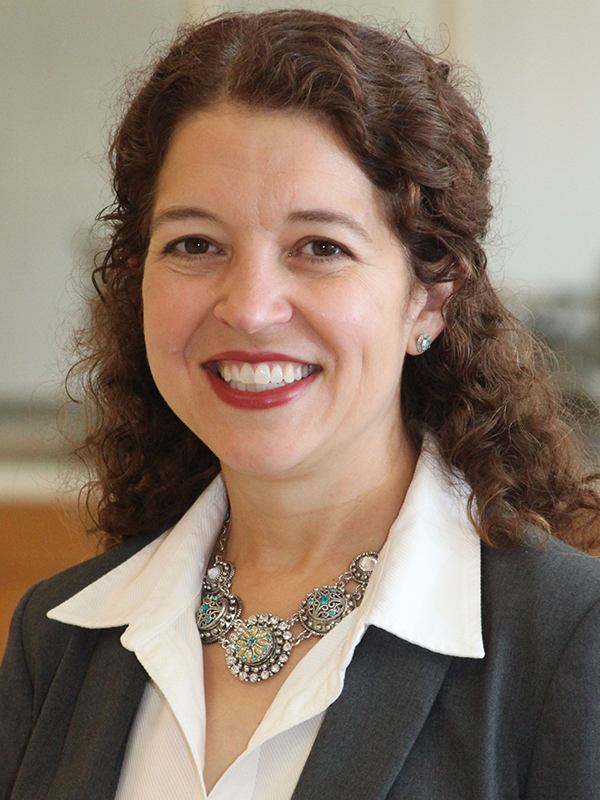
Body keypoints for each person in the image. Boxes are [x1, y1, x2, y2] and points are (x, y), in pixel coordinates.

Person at [2, 9, 600, 799]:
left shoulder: (570, 642)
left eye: (320, 247)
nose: (249, 308)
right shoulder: (56, 640)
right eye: (195, 244)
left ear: (430, 297)